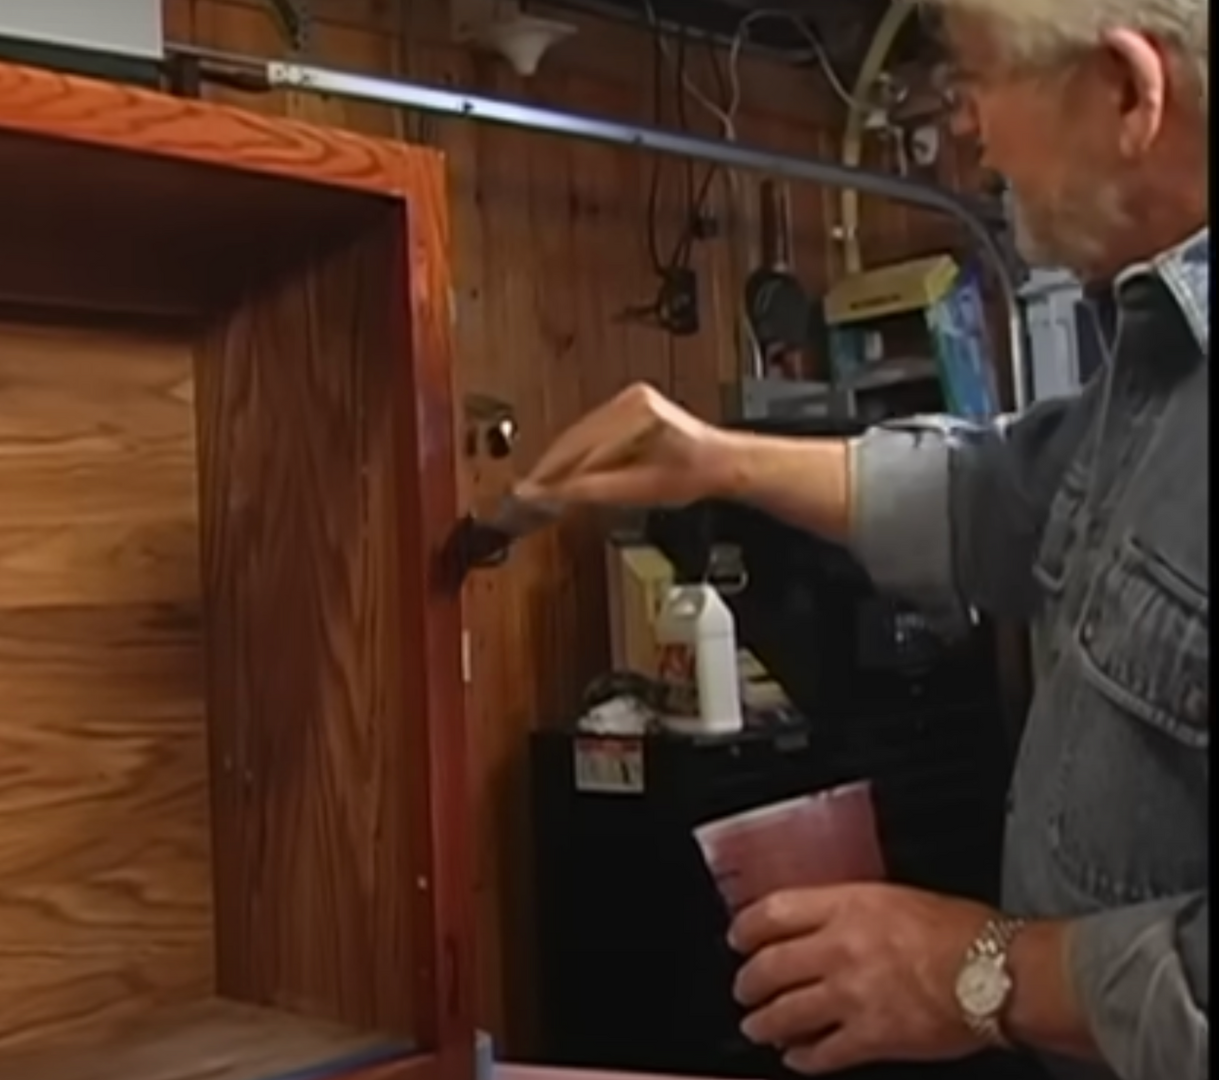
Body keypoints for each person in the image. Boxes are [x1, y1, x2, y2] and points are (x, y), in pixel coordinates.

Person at [513, 2, 1208, 1079]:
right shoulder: (1163, 381)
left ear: (1127, 92)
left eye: (978, 78)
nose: (965, 125)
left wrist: (980, 973)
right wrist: (717, 460)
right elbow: (997, 491)